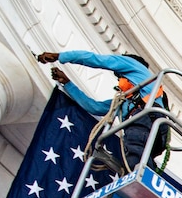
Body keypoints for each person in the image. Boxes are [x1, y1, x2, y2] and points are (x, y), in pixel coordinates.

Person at [38, 50, 170, 172]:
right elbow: (95, 107)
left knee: (135, 161)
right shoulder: (124, 101)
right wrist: (67, 83)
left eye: (120, 77)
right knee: (139, 162)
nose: (119, 80)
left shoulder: (134, 66)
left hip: (146, 120)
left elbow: (98, 60)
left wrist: (59, 56)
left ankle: (139, 185)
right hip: (152, 131)